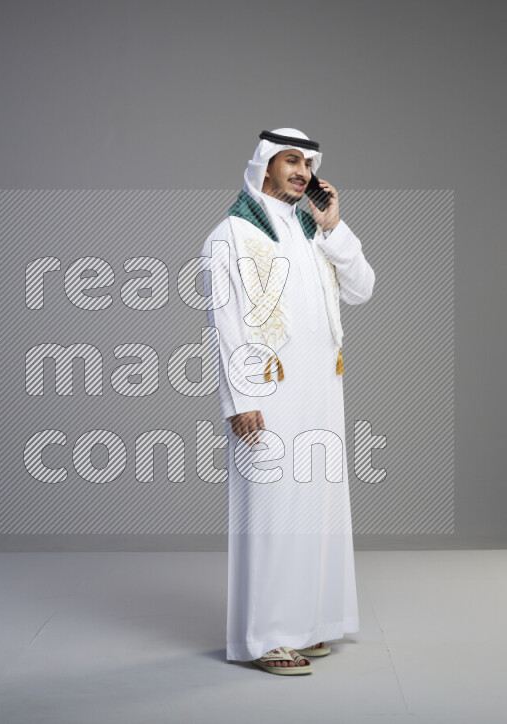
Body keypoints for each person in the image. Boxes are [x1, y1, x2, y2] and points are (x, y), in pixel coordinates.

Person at [201, 128, 375, 675]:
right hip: (269, 392)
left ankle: (308, 624)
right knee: (272, 510)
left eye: (307, 163)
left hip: (321, 389)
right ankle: (267, 635)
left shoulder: (312, 230)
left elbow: (363, 287)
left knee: (317, 507)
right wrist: (239, 398)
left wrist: (334, 226)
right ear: (265, 166)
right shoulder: (232, 234)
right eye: (290, 161)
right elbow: (223, 324)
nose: (301, 172)